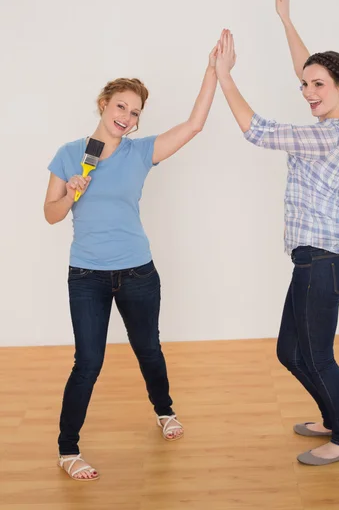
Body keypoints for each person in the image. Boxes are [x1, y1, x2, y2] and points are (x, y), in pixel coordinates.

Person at [44, 39, 220, 480]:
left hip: (138, 271)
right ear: (104, 105)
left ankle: (164, 412)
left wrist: (214, 71)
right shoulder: (71, 154)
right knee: (88, 362)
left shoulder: (141, 152)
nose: (128, 117)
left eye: (136, 112)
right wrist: (69, 193)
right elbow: (50, 215)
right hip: (86, 275)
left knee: (148, 349)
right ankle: (68, 449)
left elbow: (195, 125)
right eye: (121, 107)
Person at [215, 0, 339, 465]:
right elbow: (312, 67)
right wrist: (285, 19)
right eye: (305, 86)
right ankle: (330, 414)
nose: (308, 92)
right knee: (290, 352)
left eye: (318, 86)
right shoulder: (334, 120)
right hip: (315, 258)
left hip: (324, 261)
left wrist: (225, 76)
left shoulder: (329, 135)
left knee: (317, 356)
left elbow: (257, 131)